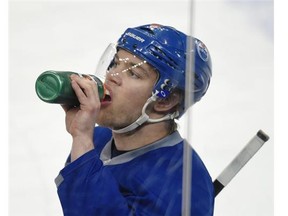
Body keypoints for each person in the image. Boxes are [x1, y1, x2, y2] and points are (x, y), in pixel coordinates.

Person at [55, 24, 214, 215]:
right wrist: (83, 142)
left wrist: (81, 141)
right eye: (115, 63)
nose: (112, 75)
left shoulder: (180, 189)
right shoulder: (98, 139)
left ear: (166, 100)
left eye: (133, 73)